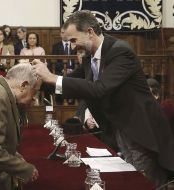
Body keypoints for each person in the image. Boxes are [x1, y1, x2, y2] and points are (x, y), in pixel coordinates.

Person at [32, 10, 174, 188]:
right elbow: (74, 83)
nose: (73, 46)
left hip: (142, 129)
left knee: (144, 181)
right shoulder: (90, 57)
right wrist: (40, 83)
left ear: (90, 32)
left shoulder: (121, 52)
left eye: (74, 40)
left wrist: (51, 77)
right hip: (121, 126)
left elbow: (100, 89)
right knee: (131, 176)